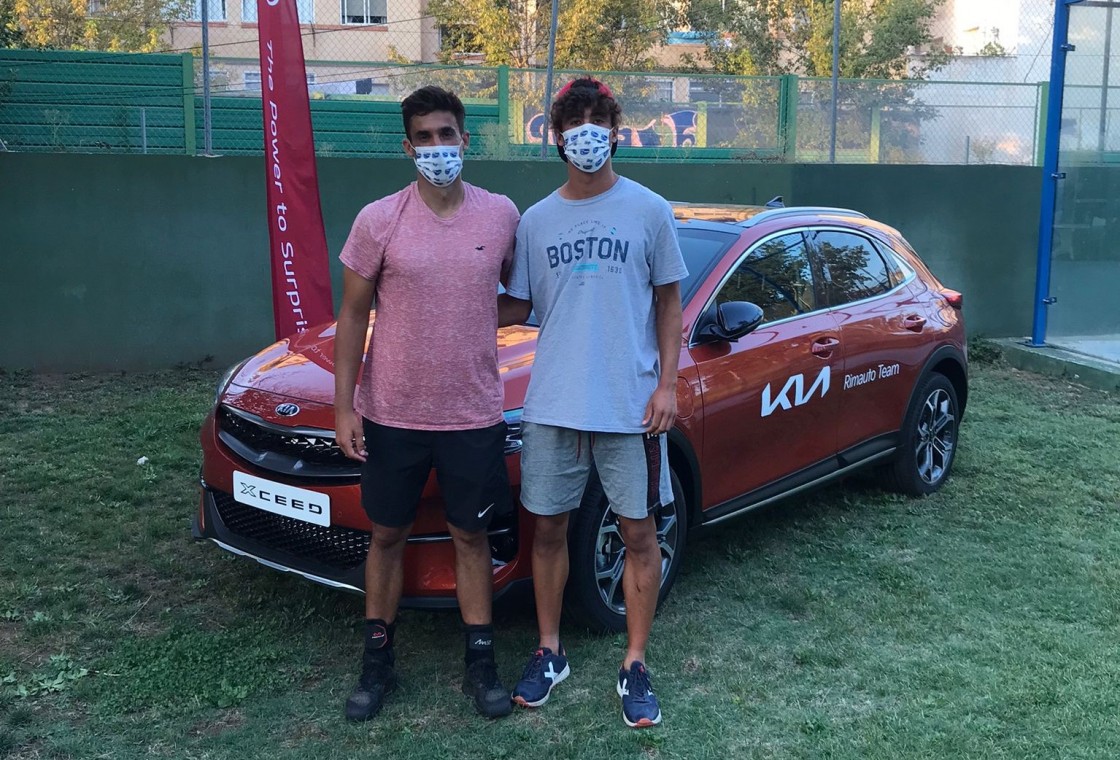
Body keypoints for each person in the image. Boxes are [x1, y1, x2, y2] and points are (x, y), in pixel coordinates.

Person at [498, 77, 688, 728]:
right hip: (551, 402)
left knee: (639, 532)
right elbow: (514, 308)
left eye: (596, 121)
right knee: (547, 529)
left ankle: (635, 662)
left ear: (614, 130)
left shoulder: (648, 210)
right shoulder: (536, 220)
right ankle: (550, 651)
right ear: (556, 138)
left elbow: (669, 302)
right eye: (572, 123)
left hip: (627, 405)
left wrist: (666, 384)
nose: (584, 133)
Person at [334, 85, 519, 722]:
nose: (438, 147)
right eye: (425, 137)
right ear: (407, 146)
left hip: (472, 412)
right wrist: (343, 407)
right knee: (387, 535)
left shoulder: (501, 216)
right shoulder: (378, 220)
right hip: (390, 412)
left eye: (448, 134)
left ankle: (481, 663)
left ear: (467, 139)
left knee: (472, 535)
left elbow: (519, 296)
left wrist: (471, 319)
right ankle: (376, 664)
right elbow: (354, 315)